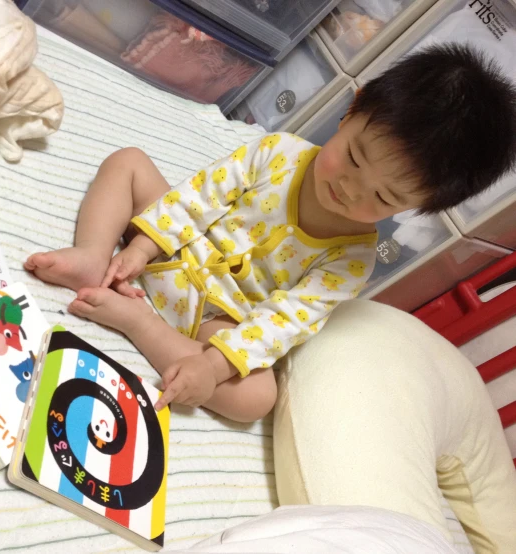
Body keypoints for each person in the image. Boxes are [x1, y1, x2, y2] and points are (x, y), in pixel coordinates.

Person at [25, 44, 516, 422]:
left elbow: (282, 323)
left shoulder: (352, 262)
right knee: (128, 163)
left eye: (384, 199)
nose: (349, 188)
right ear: (352, 110)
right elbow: (199, 199)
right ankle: (93, 255)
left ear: (420, 209)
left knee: (257, 398)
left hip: (215, 318)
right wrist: (142, 245)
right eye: (354, 156)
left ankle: (138, 323)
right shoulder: (277, 153)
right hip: (170, 249)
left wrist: (213, 367)